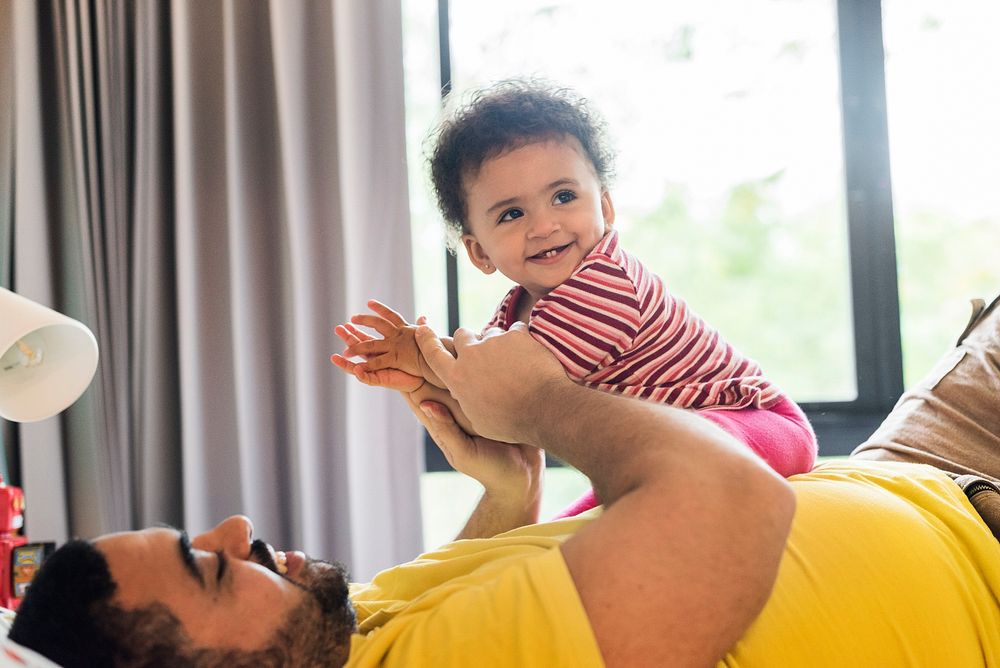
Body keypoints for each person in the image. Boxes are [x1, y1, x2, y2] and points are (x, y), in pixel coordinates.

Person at [9, 298, 1000, 666]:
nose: (236, 524)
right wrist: (543, 402)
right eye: (214, 569)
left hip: (915, 472)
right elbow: (736, 499)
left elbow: (493, 569)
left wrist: (504, 478)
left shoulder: (344, 638)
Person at [331, 80, 816, 516]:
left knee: (684, 460)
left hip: (752, 422)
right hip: (664, 437)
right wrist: (423, 372)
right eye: (512, 214)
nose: (544, 226)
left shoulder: (606, 282)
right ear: (479, 252)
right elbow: (498, 406)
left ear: (604, 206)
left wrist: (422, 353)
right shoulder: (514, 313)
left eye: (563, 196)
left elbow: (507, 393)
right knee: (569, 528)